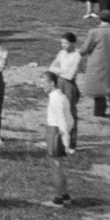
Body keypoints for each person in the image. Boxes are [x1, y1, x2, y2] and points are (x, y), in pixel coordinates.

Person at [78, 10, 110, 119]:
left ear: (99, 18)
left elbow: (85, 48)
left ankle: (99, 112)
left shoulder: (94, 32)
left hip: (97, 63)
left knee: (98, 87)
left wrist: (78, 53)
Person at [40, 71, 75, 208]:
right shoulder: (61, 97)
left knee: (56, 168)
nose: (41, 86)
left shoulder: (56, 99)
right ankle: (65, 196)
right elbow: (71, 120)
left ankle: (58, 199)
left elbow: (63, 122)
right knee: (58, 167)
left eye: (43, 83)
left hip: (55, 133)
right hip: (54, 132)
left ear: (51, 83)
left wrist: (65, 141)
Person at [48, 32, 82, 149]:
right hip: (59, 83)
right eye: (62, 43)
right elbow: (51, 68)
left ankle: (72, 143)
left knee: (70, 113)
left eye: (66, 43)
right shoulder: (61, 53)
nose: (63, 45)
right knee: (57, 110)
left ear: (73, 43)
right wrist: (63, 71)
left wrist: (59, 70)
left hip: (69, 86)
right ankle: (58, 141)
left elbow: (70, 75)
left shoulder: (77, 55)